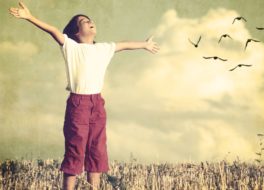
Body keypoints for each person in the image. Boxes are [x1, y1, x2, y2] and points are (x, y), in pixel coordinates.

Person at [9, 2, 159, 190]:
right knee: (75, 148)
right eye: (83, 21)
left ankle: (92, 187)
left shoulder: (103, 48)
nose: (90, 22)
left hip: (97, 103)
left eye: (90, 20)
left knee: (97, 148)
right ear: (75, 32)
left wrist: (145, 45)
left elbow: (125, 45)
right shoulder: (71, 47)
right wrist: (29, 17)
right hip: (78, 103)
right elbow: (53, 30)